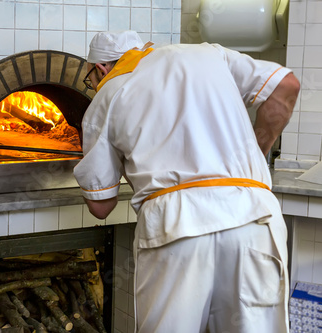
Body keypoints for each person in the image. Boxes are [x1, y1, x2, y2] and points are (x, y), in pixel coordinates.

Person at [73, 30, 300, 333]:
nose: (94, 85)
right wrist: (257, 150)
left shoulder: (107, 95)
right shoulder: (208, 54)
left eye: (91, 79)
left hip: (177, 227)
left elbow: (101, 207)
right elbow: (286, 85)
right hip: (253, 215)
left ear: (100, 68)